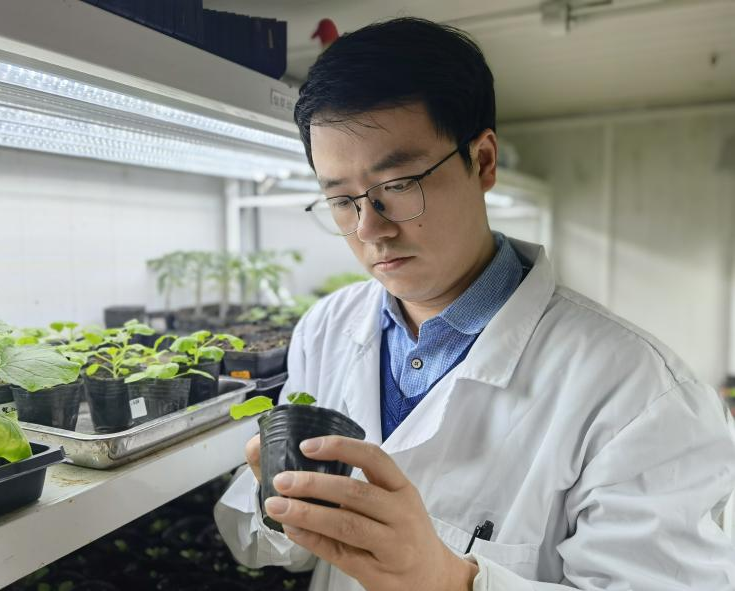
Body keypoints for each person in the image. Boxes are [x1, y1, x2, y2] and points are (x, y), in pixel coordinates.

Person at [214, 17, 735, 591]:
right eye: (341, 200)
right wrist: (279, 502)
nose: (369, 230)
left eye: (400, 185)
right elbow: (277, 548)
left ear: (482, 161)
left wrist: (450, 579)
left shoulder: (641, 396)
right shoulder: (327, 328)